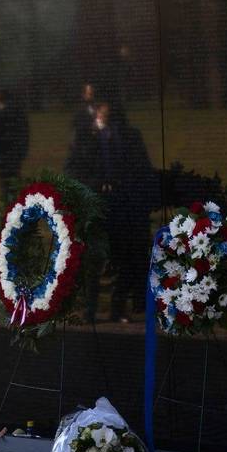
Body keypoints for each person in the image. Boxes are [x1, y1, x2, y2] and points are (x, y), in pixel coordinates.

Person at [65, 95, 156, 321]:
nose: (103, 110)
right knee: (93, 259)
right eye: (100, 106)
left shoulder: (129, 135)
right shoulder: (83, 136)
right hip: (96, 202)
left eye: (107, 105)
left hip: (123, 202)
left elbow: (142, 167)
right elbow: (72, 169)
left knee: (123, 258)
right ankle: (90, 309)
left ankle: (118, 307)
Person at [0, 89, 28, 203]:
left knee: (6, 184)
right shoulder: (19, 113)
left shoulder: (1, 114)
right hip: (16, 154)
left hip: (3, 156)